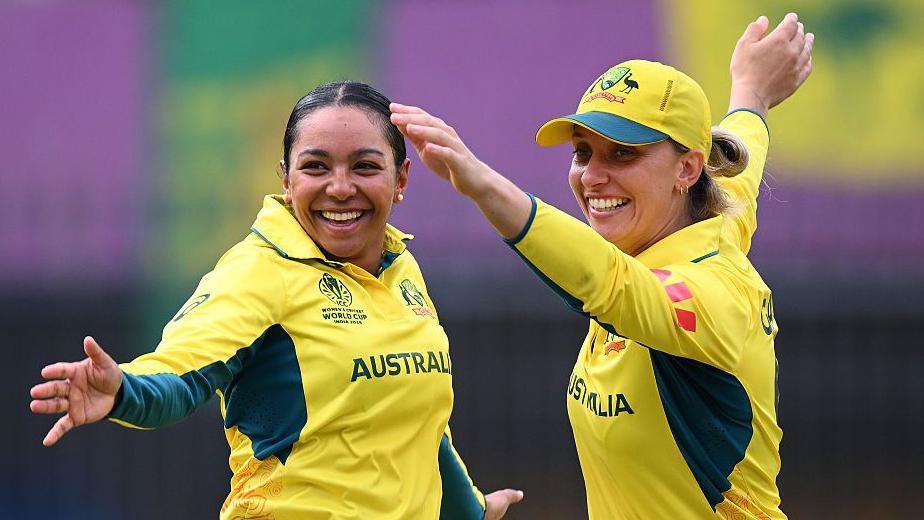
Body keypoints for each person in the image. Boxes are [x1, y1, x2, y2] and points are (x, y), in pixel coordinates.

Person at [29, 81, 523, 520]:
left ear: (401, 179)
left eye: (365, 166)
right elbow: (179, 377)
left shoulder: (402, 268)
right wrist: (124, 392)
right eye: (316, 167)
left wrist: (470, 509)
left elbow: (416, 423)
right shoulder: (257, 272)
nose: (340, 188)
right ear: (286, 180)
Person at [390, 14, 813, 519]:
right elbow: (741, 162)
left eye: (622, 154)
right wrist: (751, 92)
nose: (592, 176)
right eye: (583, 152)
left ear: (686, 168)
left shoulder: (715, 293)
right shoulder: (710, 221)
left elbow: (610, 284)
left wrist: (482, 184)